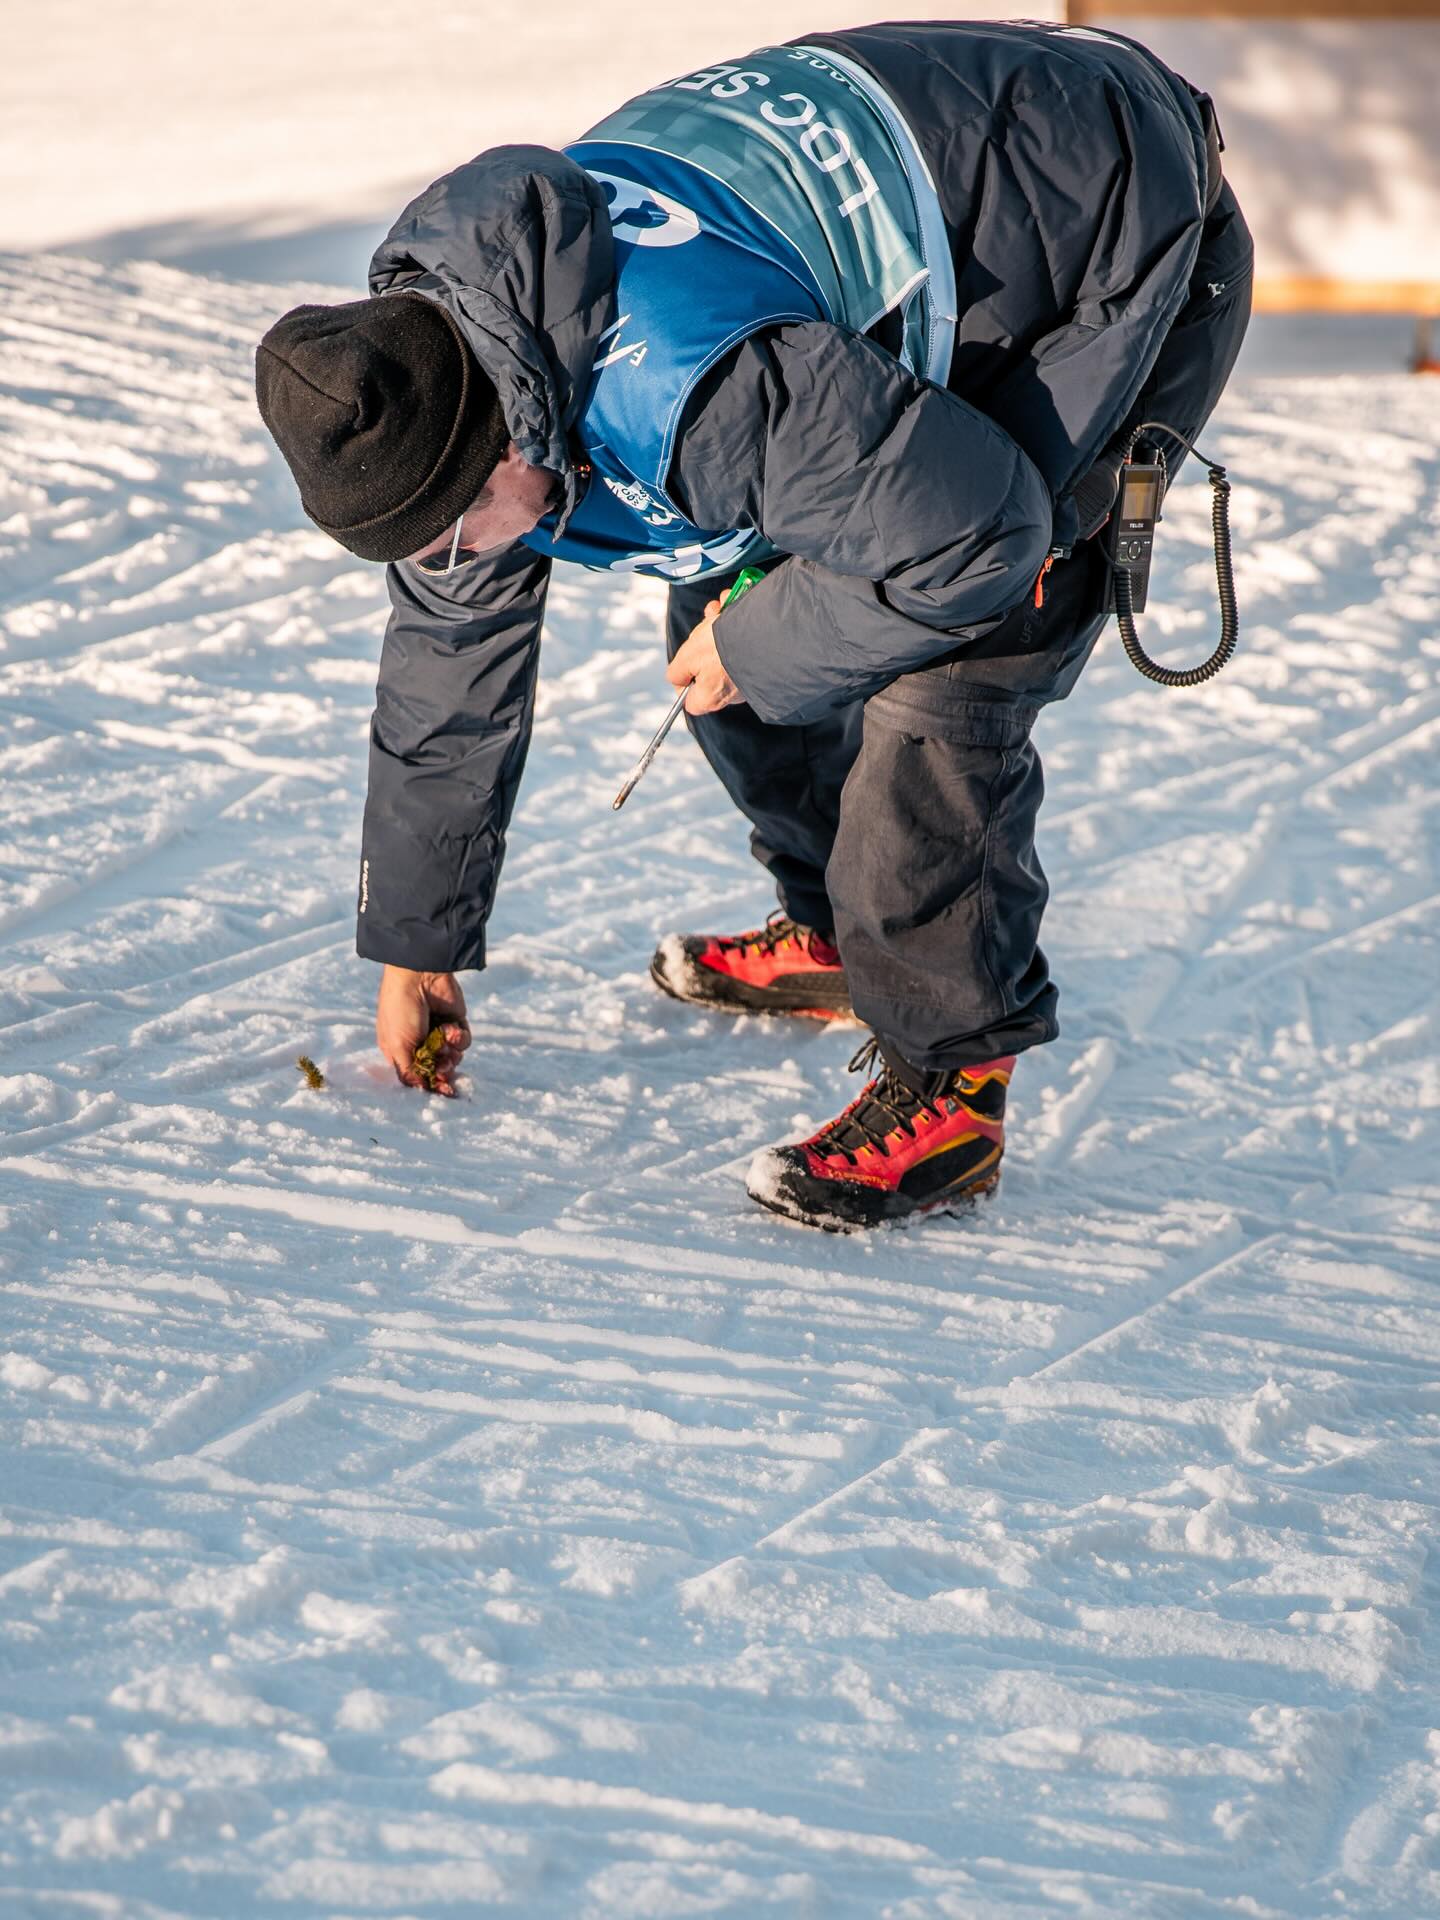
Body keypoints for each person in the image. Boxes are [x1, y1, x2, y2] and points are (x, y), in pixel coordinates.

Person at [254, 19, 1252, 1230]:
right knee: (732, 602)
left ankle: (950, 1088)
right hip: (932, 221)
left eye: (454, 534)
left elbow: (977, 535)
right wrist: (420, 947)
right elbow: (446, 661)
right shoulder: (446, 359)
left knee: (948, 668)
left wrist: (759, 644)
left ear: (506, 440)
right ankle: (841, 930)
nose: (451, 566)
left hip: (1114, 234)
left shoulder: (693, 387)